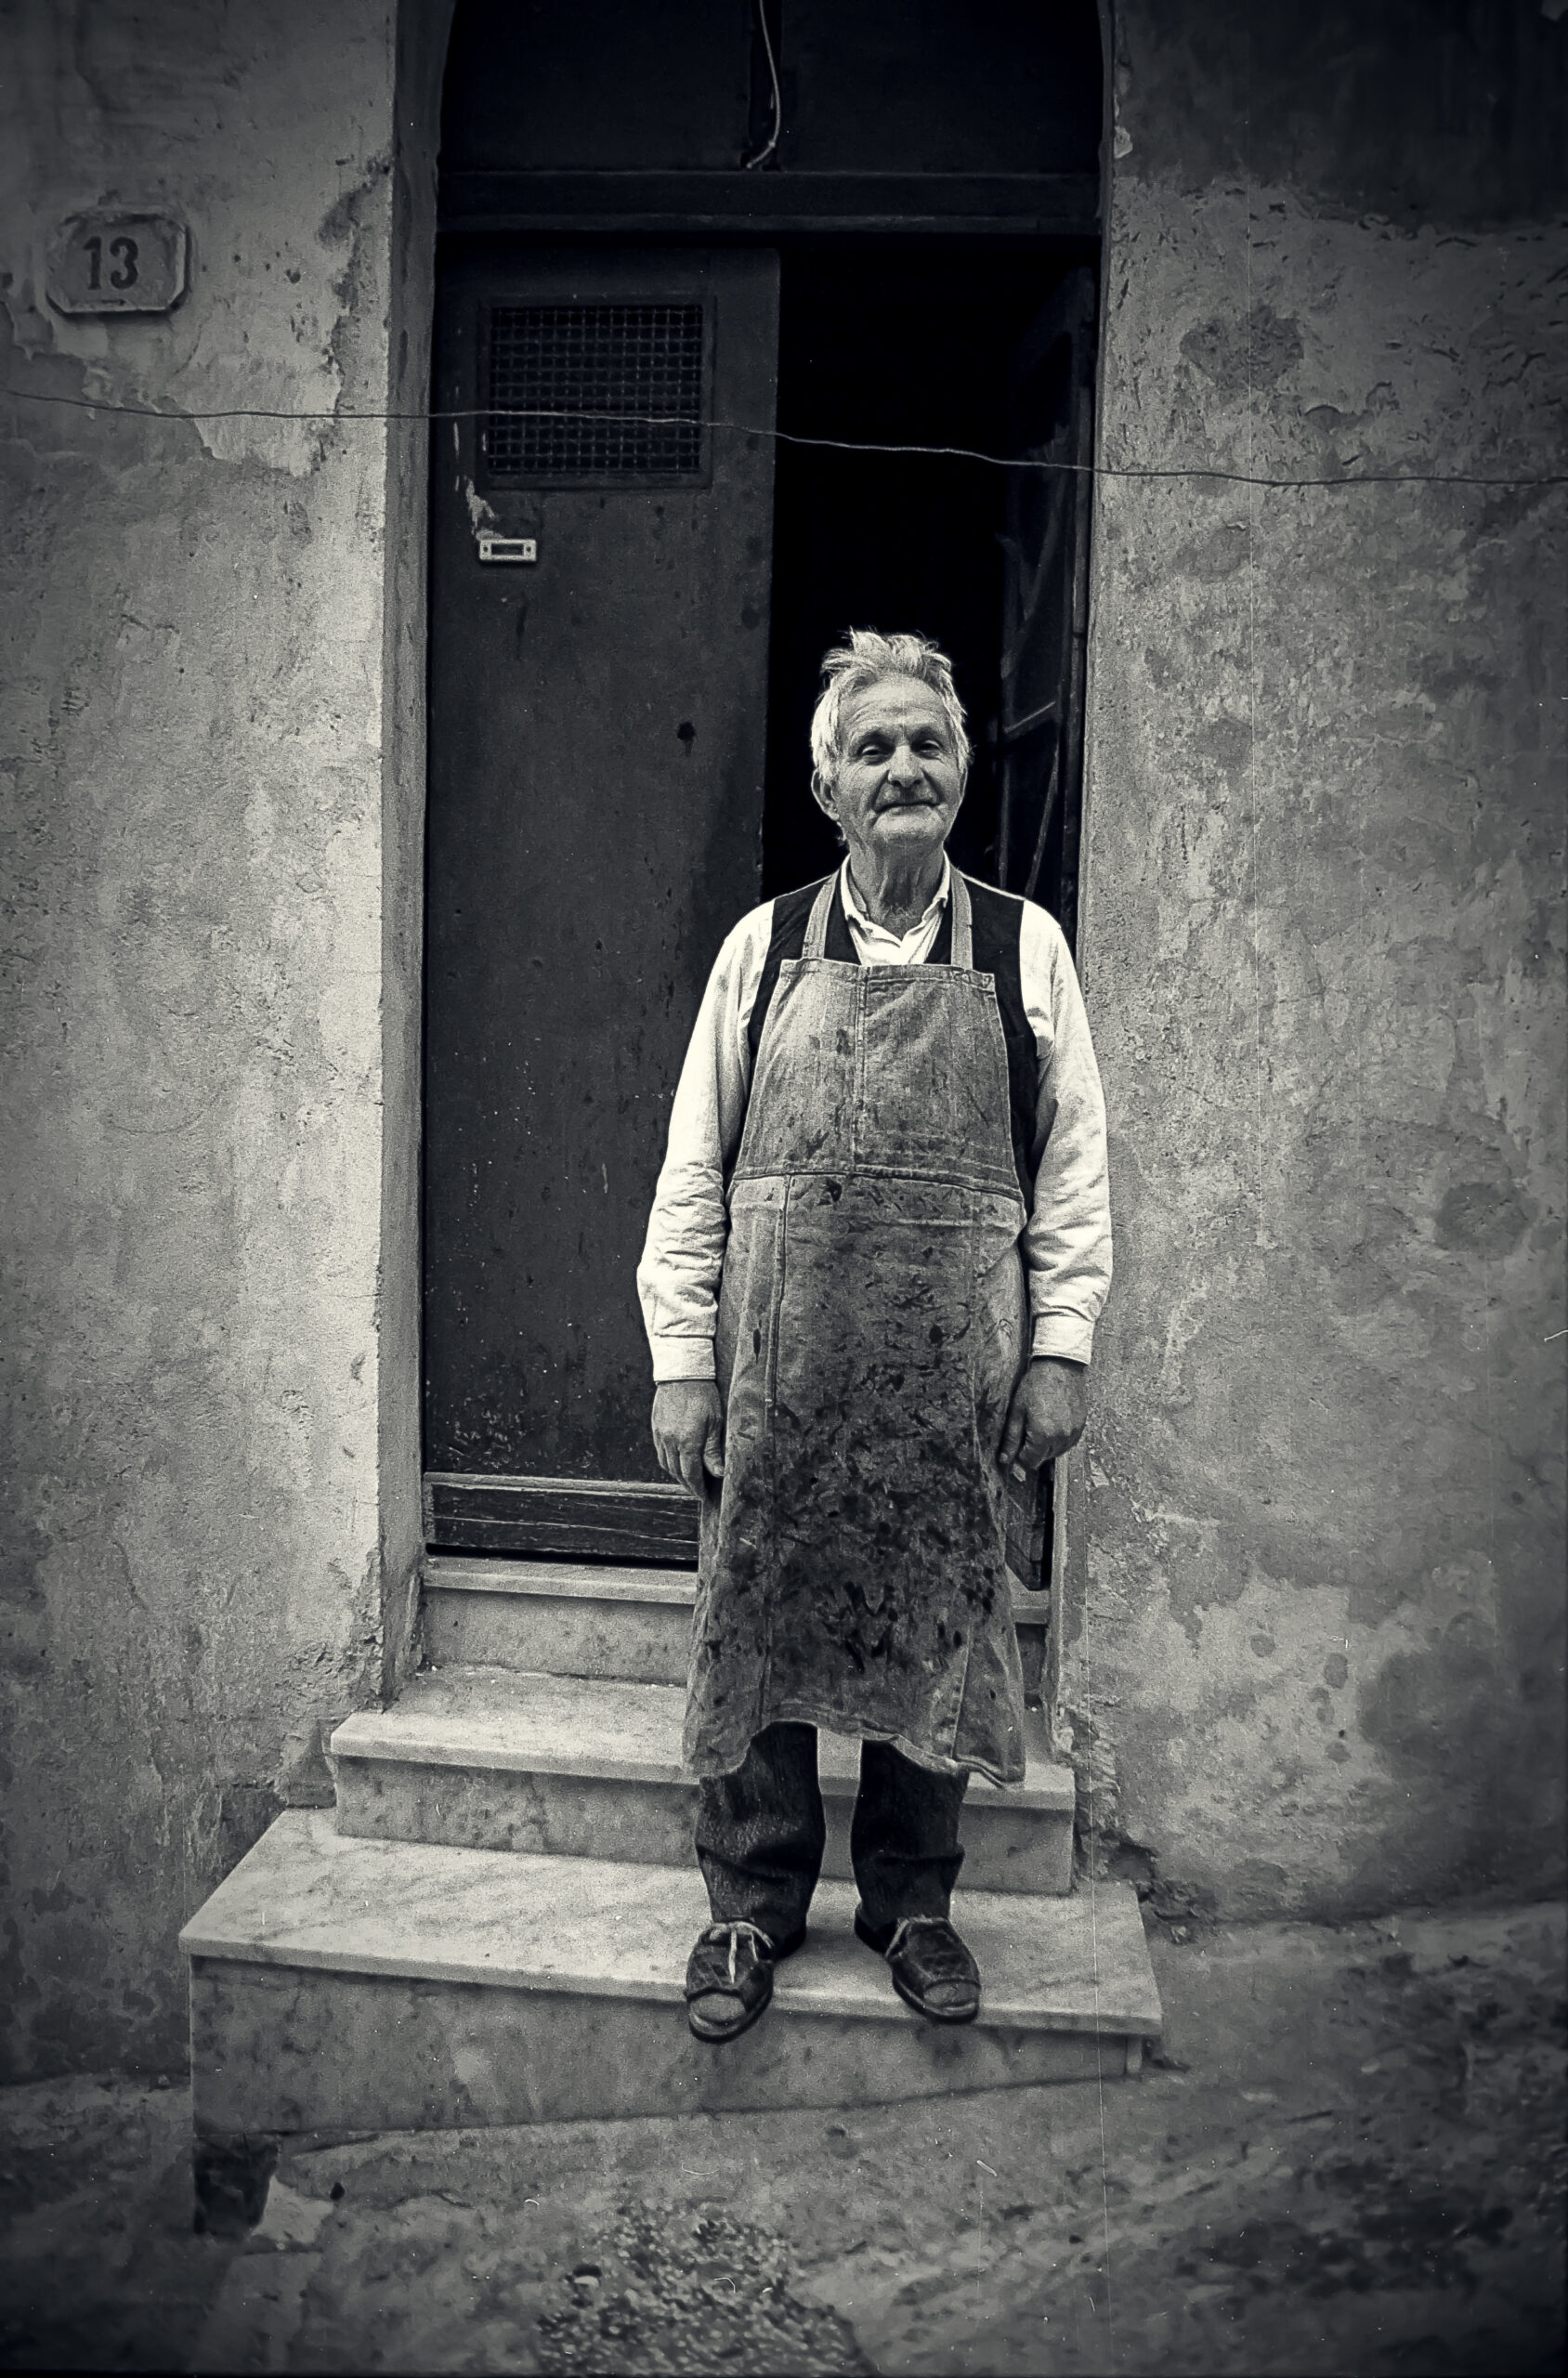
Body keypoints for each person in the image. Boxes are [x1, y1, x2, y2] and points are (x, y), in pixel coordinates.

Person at [636, 629, 1111, 2044]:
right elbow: (692, 1168)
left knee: (938, 1627)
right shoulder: (764, 947)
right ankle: (750, 1903)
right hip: (778, 1374)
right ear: (826, 785)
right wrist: (683, 1360)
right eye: (872, 748)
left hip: (946, 1382)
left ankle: (914, 1905)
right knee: (758, 1616)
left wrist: (1060, 1344)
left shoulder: (1026, 947)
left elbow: (1073, 1164)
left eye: (927, 743)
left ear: (963, 770)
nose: (902, 767)